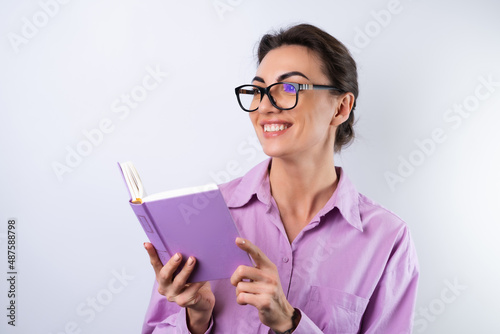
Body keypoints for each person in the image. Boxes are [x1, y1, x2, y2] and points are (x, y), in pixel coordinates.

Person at [142, 23, 419, 334]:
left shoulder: (387, 239)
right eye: (258, 90)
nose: (264, 106)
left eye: (288, 88)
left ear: (341, 108)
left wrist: (291, 324)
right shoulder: (200, 213)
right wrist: (196, 319)